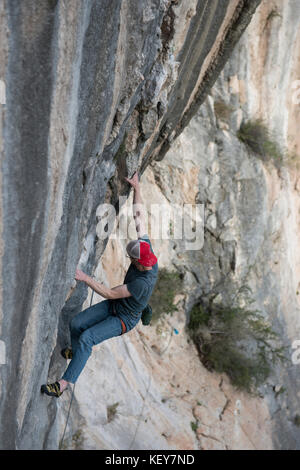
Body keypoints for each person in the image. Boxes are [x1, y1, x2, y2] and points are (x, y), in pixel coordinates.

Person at [41, 171, 158, 397]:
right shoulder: (146, 251)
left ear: (137, 262)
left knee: (87, 338)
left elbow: (109, 293)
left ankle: (62, 385)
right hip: (118, 306)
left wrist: (84, 278)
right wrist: (137, 188)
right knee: (76, 324)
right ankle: (76, 353)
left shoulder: (143, 283)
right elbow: (139, 218)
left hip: (124, 319)